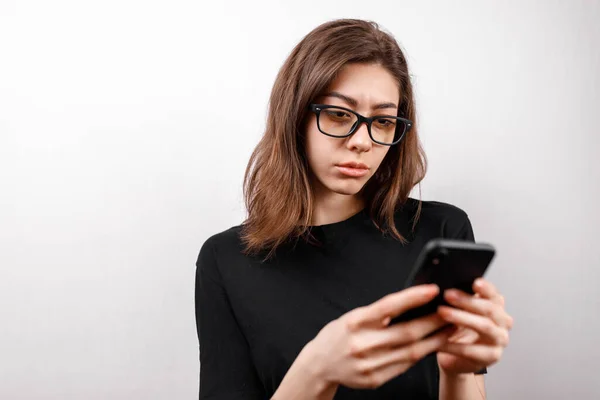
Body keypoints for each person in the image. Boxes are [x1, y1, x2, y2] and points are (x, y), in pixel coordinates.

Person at [195, 19, 513, 400]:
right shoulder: (227, 260)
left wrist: (458, 371)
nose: (363, 141)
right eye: (339, 115)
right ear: (295, 117)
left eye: (383, 121)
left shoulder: (440, 228)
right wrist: (316, 368)